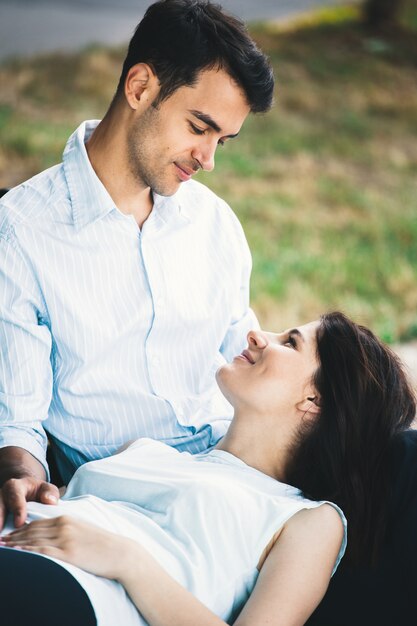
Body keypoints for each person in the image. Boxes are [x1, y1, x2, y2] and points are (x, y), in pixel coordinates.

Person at [0, 0, 274, 529]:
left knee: (403, 458)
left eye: (223, 140)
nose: (209, 159)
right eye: (200, 127)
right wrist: (21, 474)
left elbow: (247, 360)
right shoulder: (22, 230)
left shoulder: (215, 224)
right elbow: (18, 421)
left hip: (235, 470)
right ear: (140, 87)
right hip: (127, 501)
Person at [1, 311, 415, 626]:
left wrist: (126, 559)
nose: (256, 335)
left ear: (314, 401)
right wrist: (32, 491)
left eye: (289, 343)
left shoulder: (309, 519)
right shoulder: (148, 450)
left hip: (78, 589)